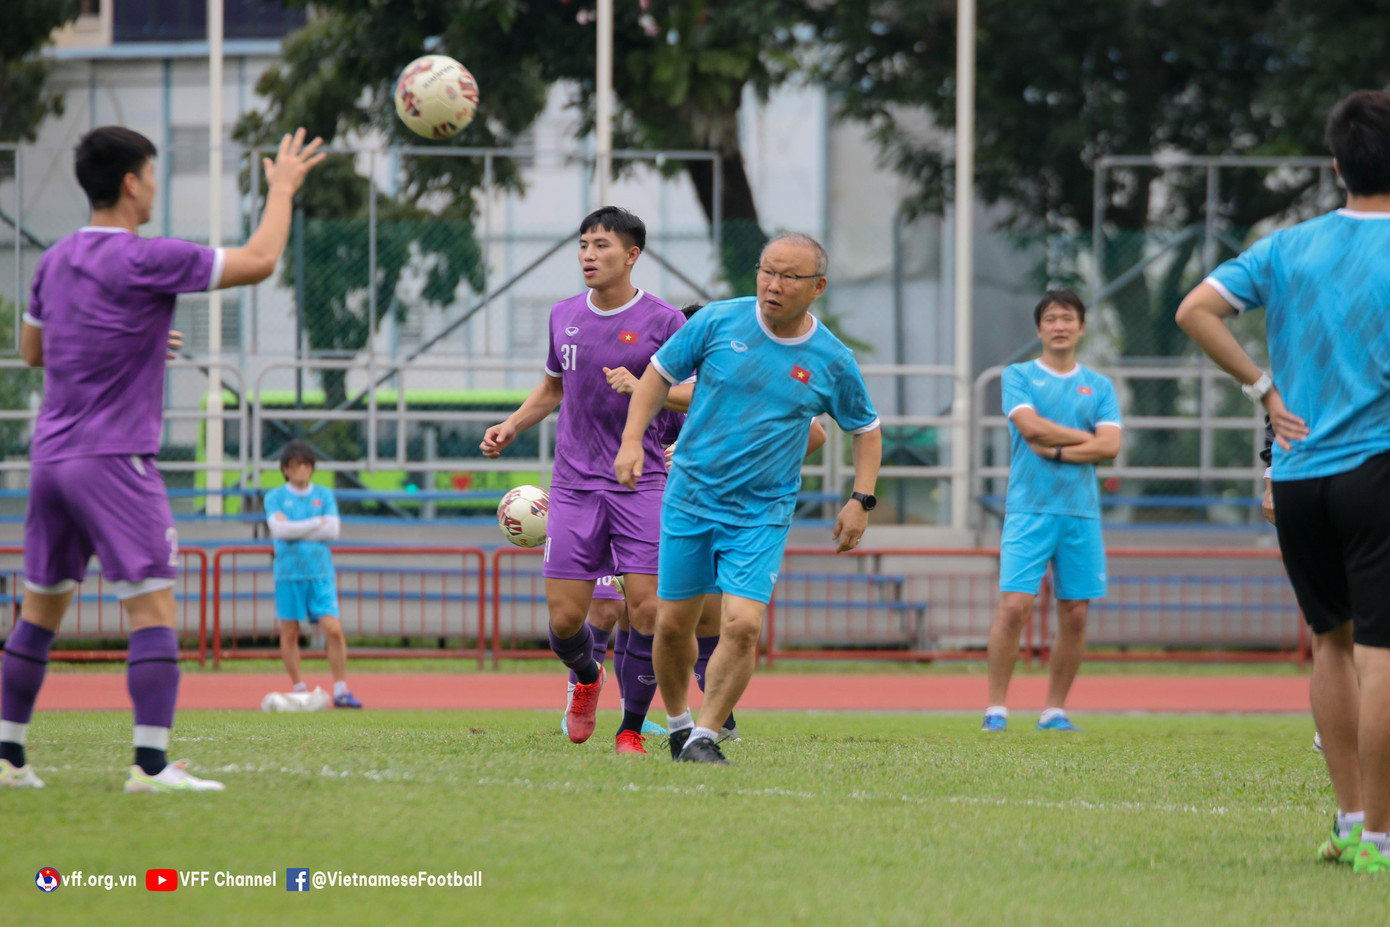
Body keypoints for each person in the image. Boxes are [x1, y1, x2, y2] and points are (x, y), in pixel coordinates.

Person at [0, 125, 324, 791]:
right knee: (152, 611)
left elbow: (35, 354)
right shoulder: (147, 258)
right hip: (116, 459)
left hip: (51, 460)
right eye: (151, 173)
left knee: (38, 612)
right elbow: (261, 259)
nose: (154, 184)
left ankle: (7, 757)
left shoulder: (53, 260)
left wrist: (136, 338)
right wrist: (284, 189)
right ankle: (150, 765)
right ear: (130, 182)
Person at [1176, 89, 1390, 875]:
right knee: (1383, 652)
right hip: (1379, 467)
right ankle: (1383, 843)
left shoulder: (1287, 247)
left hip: (1298, 472)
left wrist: (1261, 387)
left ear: (1337, 164)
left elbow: (1195, 309)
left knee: (1329, 645)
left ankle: (1351, 819)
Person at [616, 232, 882, 764]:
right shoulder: (716, 322)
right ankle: (678, 723)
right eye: (766, 271)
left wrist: (861, 499)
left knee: (742, 625)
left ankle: (706, 736)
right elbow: (655, 377)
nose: (773, 285)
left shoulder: (832, 359)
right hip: (690, 497)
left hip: (761, 512)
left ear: (818, 287)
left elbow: (866, 429)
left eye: (789, 276)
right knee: (673, 626)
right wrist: (631, 441)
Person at [482, 206, 691, 754]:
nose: (588, 256)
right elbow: (552, 390)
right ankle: (587, 677)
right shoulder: (564, 316)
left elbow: (700, 394)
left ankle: (630, 728)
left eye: (601, 245)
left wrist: (647, 386)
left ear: (632, 255)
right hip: (574, 485)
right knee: (566, 619)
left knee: (647, 608)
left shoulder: (667, 322)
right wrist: (510, 425)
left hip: (640, 481)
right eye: (583, 246)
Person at [983, 289, 1122, 734]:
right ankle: (996, 708)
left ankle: (1054, 711)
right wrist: (1088, 441)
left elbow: (1113, 445)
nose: (1059, 326)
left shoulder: (1099, 385)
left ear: (1081, 328)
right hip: (1029, 508)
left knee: (1076, 614)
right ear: (1039, 328)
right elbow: (1029, 427)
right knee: (1014, 608)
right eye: (1051, 319)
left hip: (1080, 513)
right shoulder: (1018, 375)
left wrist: (1057, 450)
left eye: (1068, 318)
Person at [265, 441, 361, 709]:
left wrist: (295, 527)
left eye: (307, 464)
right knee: (290, 631)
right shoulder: (273, 497)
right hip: (288, 573)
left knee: (333, 629)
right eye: (296, 464)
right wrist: (315, 523)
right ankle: (299, 689)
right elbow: (279, 531)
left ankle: (341, 689)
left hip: (320, 573)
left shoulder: (324, 494)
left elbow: (332, 531)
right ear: (285, 469)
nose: (302, 469)